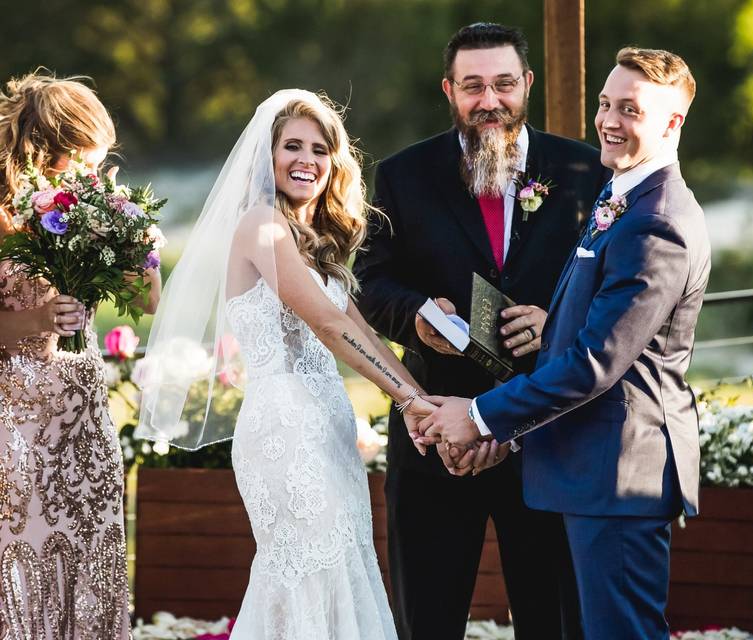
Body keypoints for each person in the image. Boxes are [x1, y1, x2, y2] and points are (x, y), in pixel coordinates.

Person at [417, 47, 711, 640]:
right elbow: (583, 334)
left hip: (619, 475)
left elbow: (595, 363)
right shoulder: (619, 194)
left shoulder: (659, 221)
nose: (608, 120)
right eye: (605, 104)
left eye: (630, 109)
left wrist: (480, 416)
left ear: (672, 122)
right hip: (592, 467)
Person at [137, 90, 436, 639]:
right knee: (304, 571)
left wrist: (420, 400)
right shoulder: (260, 225)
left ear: (334, 162)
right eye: (291, 146)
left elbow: (360, 328)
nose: (307, 159)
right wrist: (411, 400)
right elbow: (328, 324)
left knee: (342, 565)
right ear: (267, 156)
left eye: (319, 149)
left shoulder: (312, 241)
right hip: (285, 427)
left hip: (328, 423)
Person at [353, 22, 606, 640]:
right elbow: (370, 283)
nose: (488, 100)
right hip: (437, 438)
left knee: (555, 621)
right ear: (449, 90)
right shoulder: (402, 175)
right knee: (427, 620)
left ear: (528, 84)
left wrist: (556, 322)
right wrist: (415, 315)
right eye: (473, 86)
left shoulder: (585, 171)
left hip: (547, 435)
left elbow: (611, 290)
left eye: (502, 84)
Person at [0, 72, 161, 638]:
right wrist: (40, 319)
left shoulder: (93, 210)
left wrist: (137, 241)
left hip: (83, 417)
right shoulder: (3, 215)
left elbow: (146, 302)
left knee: (92, 547)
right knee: (22, 559)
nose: (94, 173)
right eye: (84, 159)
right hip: (15, 423)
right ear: (47, 150)